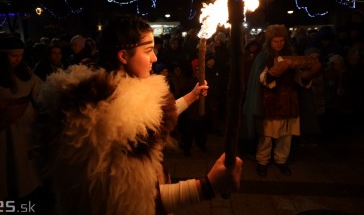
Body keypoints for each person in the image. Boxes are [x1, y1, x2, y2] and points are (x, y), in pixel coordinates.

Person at [35, 15, 243, 215]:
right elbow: (139, 200)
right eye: (148, 50)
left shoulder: (128, 93)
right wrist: (208, 185)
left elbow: (155, 116)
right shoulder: (111, 119)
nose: (155, 57)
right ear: (123, 56)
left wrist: (191, 96)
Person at [242, 24, 320, 178]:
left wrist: (307, 75)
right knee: (267, 136)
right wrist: (274, 73)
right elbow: (262, 79)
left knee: (286, 136)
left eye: (281, 41)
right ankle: (262, 162)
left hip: (290, 102)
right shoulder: (264, 57)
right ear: (269, 42)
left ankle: (281, 160)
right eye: (275, 41)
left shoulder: (292, 56)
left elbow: (299, 78)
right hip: (271, 103)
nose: (279, 44)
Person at [0, 35, 43, 200]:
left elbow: (40, 90)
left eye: (20, 55)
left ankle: (29, 190)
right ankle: (8, 193)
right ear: (2, 56)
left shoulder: (26, 73)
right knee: (6, 160)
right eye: (13, 56)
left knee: (26, 161)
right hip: (1, 127)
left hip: (25, 121)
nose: (17, 59)